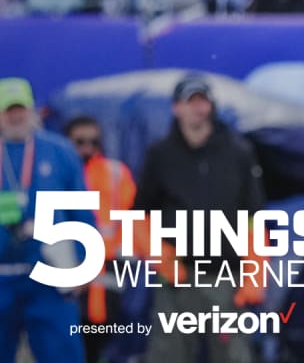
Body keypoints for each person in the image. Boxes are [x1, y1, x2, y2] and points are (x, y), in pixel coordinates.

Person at [134, 74, 265, 363]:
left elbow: (254, 219)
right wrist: (162, 259)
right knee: (168, 355)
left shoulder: (238, 153)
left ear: (211, 106)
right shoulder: (160, 154)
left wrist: (254, 277)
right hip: (177, 280)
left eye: (202, 101)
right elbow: (139, 215)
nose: (197, 108)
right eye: (190, 102)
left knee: (233, 356)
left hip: (226, 277)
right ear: (176, 108)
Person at [0, 77, 90, 363]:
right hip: (1, 276)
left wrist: (83, 260)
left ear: (32, 110)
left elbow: (82, 211)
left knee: (63, 353)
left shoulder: (59, 151)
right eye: (8, 109)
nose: (16, 115)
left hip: (48, 274)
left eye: (21, 108)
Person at [65, 115, 135, 363]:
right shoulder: (56, 171)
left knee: (101, 344)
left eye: (93, 141)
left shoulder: (115, 173)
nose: (87, 148)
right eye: (80, 141)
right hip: (66, 275)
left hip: (107, 276)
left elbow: (135, 222)